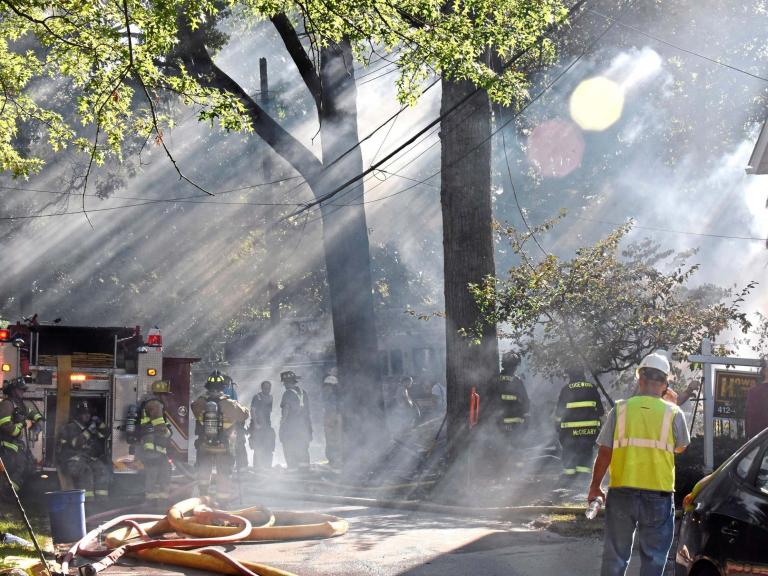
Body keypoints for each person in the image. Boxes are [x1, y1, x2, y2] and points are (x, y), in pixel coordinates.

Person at [588, 352, 690, 576]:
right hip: (659, 495)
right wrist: (671, 405)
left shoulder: (620, 409)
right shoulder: (674, 413)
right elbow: (680, 447)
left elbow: (605, 452)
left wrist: (595, 486)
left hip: (622, 492)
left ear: (640, 379)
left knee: (615, 557)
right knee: (654, 559)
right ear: (665, 384)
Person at [191, 370, 249, 501]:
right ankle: (223, 500)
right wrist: (241, 407)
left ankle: (203, 497)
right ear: (223, 387)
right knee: (223, 473)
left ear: (208, 387)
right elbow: (244, 415)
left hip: (204, 444)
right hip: (223, 446)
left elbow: (193, 407)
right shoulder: (229, 404)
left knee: (203, 470)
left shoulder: (199, 403)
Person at [555, 366, 604, 485]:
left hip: (569, 432)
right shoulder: (592, 388)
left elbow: (559, 412)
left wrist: (557, 426)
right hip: (589, 431)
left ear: (571, 375)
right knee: (586, 451)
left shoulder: (566, 389)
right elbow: (601, 411)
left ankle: (569, 475)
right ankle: (583, 477)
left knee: (569, 450)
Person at [57, 400, 110, 501]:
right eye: (84, 413)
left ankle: (102, 501)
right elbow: (77, 444)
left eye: (89, 413)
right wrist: (89, 430)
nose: (87, 415)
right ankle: (87, 502)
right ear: (78, 415)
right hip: (71, 460)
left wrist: (99, 423)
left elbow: (106, 434)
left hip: (86, 458)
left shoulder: (88, 427)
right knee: (86, 471)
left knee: (101, 469)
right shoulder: (70, 427)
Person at [0, 377, 42, 498]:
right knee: (16, 468)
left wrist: (38, 420)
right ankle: (6, 493)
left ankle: (10, 493)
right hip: (6, 446)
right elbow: (4, 424)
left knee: (26, 466)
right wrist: (18, 428)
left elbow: (32, 413)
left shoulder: (19, 405)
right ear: (13, 390)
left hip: (15, 446)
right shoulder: (7, 404)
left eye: (23, 389)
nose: (23, 392)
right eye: (20, 389)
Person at [136, 379, 173, 503]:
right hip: (153, 443)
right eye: (165, 395)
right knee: (155, 470)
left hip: (152, 443)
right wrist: (168, 433)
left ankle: (157, 497)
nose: (166, 398)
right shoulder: (155, 404)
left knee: (161, 469)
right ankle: (152, 498)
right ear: (161, 394)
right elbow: (159, 424)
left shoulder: (149, 402)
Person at [279, 370, 312, 470]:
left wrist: (282, 424)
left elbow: (286, 410)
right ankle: (304, 469)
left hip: (291, 428)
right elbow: (308, 411)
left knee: (289, 447)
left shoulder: (287, 394)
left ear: (287, 382)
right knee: (303, 447)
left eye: (284, 382)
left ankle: (293, 469)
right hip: (304, 426)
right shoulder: (304, 392)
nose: (284, 385)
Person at [223, 375, 249, 472]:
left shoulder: (230, 392)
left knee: (232, 445)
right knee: (235, 445)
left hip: (230, 423)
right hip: (231, 422)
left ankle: (231, 465)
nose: (227, 385)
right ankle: (239, 466)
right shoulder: (230, 392)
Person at [249, 380, 275, 469]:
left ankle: (267, 466)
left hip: (267, 426)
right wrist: (255, 424)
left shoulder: (271, 397)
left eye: (269, 388)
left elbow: (269, 412)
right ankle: (257, 467)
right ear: (262, 388)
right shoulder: (257, 397)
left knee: (268, 446)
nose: (267, 389)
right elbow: (252, 410)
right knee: (258, 447)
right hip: (258, 426)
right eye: (265, 388)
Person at [322, 368, 342, 468]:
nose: (325, 388)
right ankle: (335, 460)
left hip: (332, 416)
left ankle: (334, 461)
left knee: (332, 439)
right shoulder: (338, 395)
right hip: (336, 416)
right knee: (336, 439)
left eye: (327, 386)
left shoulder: (330, 397)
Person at [746, 356, 768, 438]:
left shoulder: (754, 392)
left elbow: (749, 420)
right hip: (760, 439)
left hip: (759, 440)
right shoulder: (754, 392)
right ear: (765, 371)